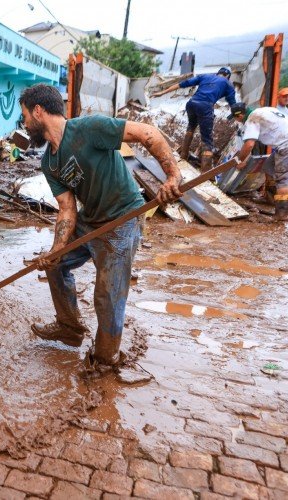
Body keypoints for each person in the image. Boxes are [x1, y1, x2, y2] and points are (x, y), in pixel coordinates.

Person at [20, 84, 182, 365]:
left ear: (38, 111)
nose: (24, 124)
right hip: (90, 220)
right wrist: (56, 249)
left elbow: (147, 133)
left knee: (107, 294)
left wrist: (173, 176)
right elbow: (68, 209)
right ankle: (70, 329)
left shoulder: (89, 128)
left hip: (123, 218)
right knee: (56, 265)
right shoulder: (49, 161)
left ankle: (106, 359)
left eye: (25, 116)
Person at [230, 103, 288, 221]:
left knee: (282, 180)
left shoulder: (252, 120)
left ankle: (281, 215)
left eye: (236, 118)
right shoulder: (265, 110)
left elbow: (249, 144)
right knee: (268, 167)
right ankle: (271, 198)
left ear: (240, 116)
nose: (238, 121)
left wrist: (239, 160)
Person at [152, 67, 236, 171]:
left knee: (190, 128)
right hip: (205, 106)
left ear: (218, 73)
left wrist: (162, 92)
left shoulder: (205, 76)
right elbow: (233, 103)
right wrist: (236, 113)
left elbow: (183, 83)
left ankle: (183, 156)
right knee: (207, 139)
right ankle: (206, 172)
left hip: (191, 104)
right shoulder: (228, 83)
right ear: (228, 76)